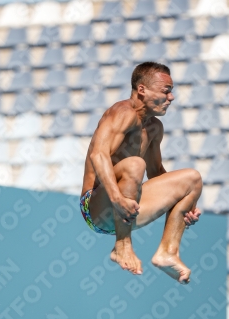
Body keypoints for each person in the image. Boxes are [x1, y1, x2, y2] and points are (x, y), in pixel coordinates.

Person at [80, 61, 202, 284]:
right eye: (166, 91)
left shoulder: (155, 128)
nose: (171, 97)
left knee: (192, 179)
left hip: (128, 207)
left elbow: (157, 174)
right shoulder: (121, 112)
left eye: (171, 92)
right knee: (135, 164)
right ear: (142, 90)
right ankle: (122, 245)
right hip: (97, 207)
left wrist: (184, 206)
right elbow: (98, 155)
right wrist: (117, 199)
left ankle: (168, 253)